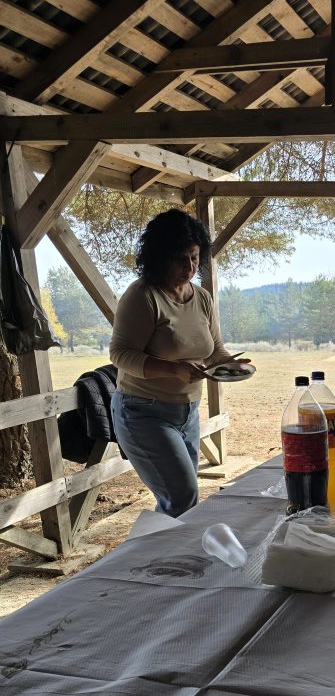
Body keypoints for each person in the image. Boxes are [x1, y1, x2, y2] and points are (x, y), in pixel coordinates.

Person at [109, 208, 250, 517]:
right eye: (180, 259)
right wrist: (175, 369)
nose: (189, 267)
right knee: (182, 497)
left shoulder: (201, 297)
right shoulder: (143, 295)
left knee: (183, 501)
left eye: (195, 258)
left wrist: (231, 365)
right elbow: (120, 354)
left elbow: (215, 351)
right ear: (160, 257)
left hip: (187, 412)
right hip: (143, 412)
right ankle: (145, 558)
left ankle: (161, 559)